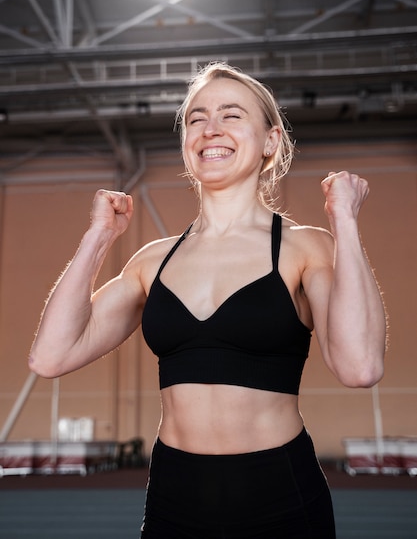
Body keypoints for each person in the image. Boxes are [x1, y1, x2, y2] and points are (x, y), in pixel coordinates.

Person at [29, 62, 387, 539]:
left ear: (270, 141)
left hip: (279, 499)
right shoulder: (152, 260)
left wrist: (345, 220)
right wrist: (98, 238)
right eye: (196, 118)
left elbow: (359, 366)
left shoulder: (305, 249)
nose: (210, 128)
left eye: (231, 115)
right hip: (173, 501)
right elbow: (51, 356)